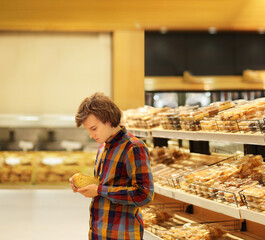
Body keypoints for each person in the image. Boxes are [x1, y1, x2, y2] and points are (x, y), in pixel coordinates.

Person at [69, 92, 154, 240]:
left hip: (122, 234)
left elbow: (144, 194)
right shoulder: (102, 147)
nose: (90, 135)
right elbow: (104, 185)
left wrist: (100, 190)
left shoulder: (134, 147)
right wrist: (83, 184)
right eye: (88, 130)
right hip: (99, 231)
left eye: (93, 128)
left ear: (108, 120)